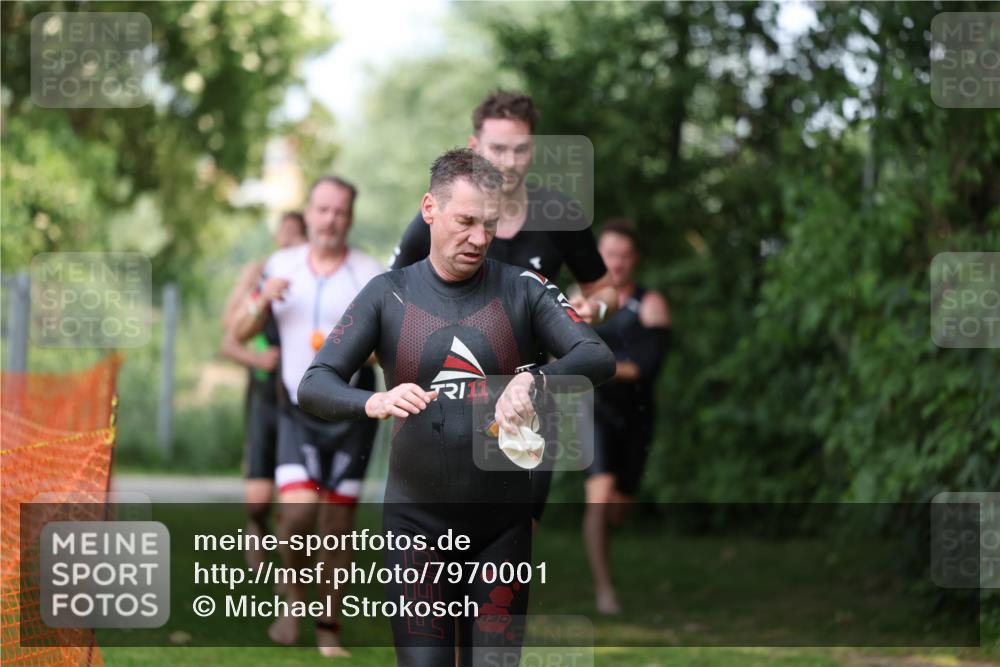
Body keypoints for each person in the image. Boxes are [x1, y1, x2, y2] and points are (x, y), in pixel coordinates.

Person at [298, 149, 616, 666]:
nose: (478, 238)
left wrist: (536, 379)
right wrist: (374, 399)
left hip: (502, 528)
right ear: (430, 209)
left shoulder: (523, 287)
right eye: (465, 221)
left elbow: (596, 355)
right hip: (414, 527)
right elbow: (314, 384)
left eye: (489, 224)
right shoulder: (387, 294)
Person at [389, 90, 619, 525]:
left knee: (517, 535)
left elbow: (606, 289)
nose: (509, 162)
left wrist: (595, 309)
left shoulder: (558, 213)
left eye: (521, 150)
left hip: (529, 399)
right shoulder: (438, 219)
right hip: (447, 397)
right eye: (498, 149)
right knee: (444, 535)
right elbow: (389, 297)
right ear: (475, 148)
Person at [230, 176, 383, 657]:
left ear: (350, 218)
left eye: (340, 212)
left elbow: (390, 345)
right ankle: (293, 603)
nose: (330, 220)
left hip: (353, 411)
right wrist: (262, 298)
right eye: (322, 210)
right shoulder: (281, 264)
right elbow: (240, 329)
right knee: (295, 516)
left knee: (336, 527)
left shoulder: (369, 273)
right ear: (310, 213)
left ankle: (328, 630)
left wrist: (369, 352)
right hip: (295, 410)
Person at [582, 219, 671, 615]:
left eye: (622, 255)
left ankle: (617, 516)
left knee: (619, 506)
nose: (614, 262)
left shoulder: (650, 305)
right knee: (599, 498)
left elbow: (647, 367)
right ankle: (605, 590)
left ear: (634, 259)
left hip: (636, 414)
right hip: (592, 412)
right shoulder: (581, 301)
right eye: (608, 254)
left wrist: (595, 364)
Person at [220, 211, 306, 570]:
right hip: (263, 394)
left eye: (295, 233)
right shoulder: (261, 272)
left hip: (301, 400)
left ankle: (291, 563)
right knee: (258, 496)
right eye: (282, 231)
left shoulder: (313, 280)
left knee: (295, 491)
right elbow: (230, 334)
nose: (287, 238)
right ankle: (255, 529)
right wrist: (258, 361)